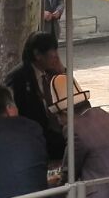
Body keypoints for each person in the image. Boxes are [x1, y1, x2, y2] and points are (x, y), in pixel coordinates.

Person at [4, 32, 67, 160]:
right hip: (34, 138)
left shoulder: (51, 72)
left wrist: (62, 72)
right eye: (52, 52)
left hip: (56, 132)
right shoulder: (19, 77)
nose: (56, 57)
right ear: (38, 54)